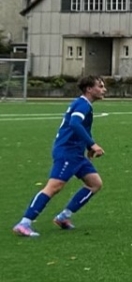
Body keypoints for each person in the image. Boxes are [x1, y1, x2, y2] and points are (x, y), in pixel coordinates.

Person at [15, 75, 108, 238]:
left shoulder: (84, 104)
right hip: (67, 152)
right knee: (54, 186)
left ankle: (63, 217)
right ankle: (24, 223)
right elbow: (74, 123)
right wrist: (93, 144)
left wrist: (88, 146)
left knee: (95, 184)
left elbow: (82, 127)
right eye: (100, 86)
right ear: (89, 89)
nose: (104, 89)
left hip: (76, 153)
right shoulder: (82, 104)